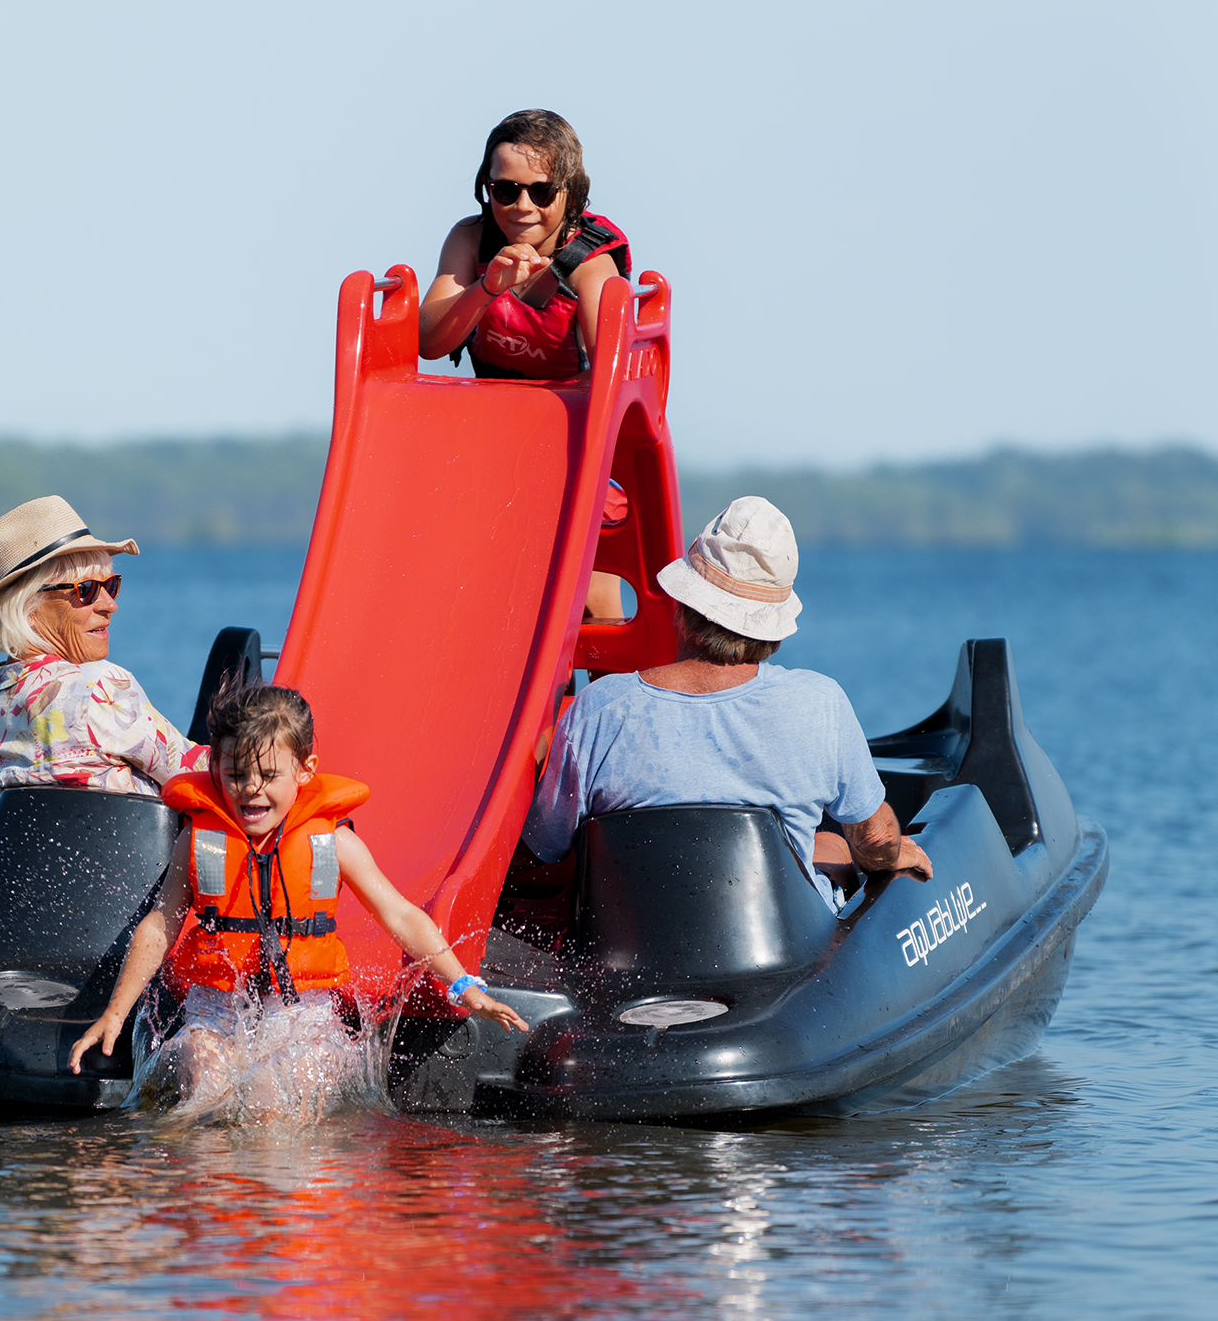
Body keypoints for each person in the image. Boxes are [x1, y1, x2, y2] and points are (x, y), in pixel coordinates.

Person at [68, 679, 528, 1113]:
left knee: (271, 1093)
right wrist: (115, 1012)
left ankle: (279, 1191)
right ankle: (211, 1188)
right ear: (214, 770)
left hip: (301, 1020)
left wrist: (464, 985)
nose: (251, 789)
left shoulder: (333, 843)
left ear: (305, 770)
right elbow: (160, 924)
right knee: (203, 1073)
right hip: (216, 1012)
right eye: (236, 775)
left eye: (268, 775)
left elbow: (402, 917)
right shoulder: (199, 839)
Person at [522, 496, 934, 904]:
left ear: (681, 606)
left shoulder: (600, 708)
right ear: (772, 629)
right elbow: (875, 838)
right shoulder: (819, 702)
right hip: (776, 946)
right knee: (831, 844)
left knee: (824, 843)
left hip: (630, 948)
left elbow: (544, 846)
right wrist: (893, 853)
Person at [418, 107, 631, 621]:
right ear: (485, 188)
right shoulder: (472, 240)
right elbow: (427, 339)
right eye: (505, 190)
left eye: (541, 191)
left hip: (574, 431)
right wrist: (486, 287)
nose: (521, 207)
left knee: (595, 592)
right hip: (495, 428)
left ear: (570, 194)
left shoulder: (592, 265)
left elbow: (610, 377)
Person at [0, 495, 206, 845]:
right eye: (87, 590)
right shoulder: (98, 686)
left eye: (111, 585)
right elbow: (204, 776)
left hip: (28, 895)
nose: (110, 605)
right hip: (137, 890)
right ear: (28, 607)